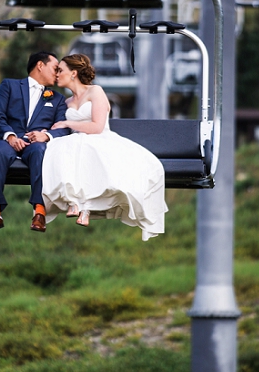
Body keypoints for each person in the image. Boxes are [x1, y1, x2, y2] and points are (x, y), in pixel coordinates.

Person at [42, 53, 167, 240]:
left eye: (60, 70)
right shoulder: (66, 102)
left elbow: (97, 126)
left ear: (73, 73)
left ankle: (86, 206)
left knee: (88, 151)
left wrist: (69, 124)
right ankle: (76, 202)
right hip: (75, 143)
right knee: (65, 150)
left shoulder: (95, 92)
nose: (57, 74)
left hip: (98, 138)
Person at [0, 51, 70, 233]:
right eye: (55, 68)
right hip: (8, 140)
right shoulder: (9, 85)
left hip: (36, 144)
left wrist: (45, 136)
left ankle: (39, 212)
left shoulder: (58, 99)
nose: (57, 73)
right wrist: (10, 136)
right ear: (40, 65)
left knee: (40, 152)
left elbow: (64, 128)